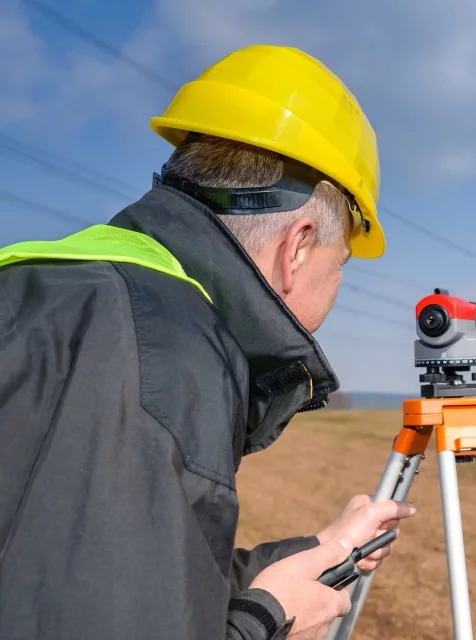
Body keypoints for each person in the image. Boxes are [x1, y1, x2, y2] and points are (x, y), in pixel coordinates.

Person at [0, 45, 416, 640]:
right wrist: (266, 620)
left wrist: (319, 550)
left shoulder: (55, 289)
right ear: (298, 246)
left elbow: (96, 575)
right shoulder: (161, 358)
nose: (339, 287)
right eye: (342, 263)